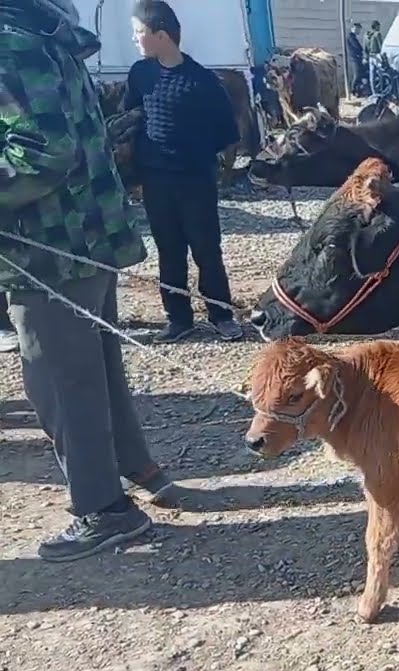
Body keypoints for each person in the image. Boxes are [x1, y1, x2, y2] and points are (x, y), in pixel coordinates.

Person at [1, 0, 189, 562]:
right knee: (97, 368)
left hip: (51, 246)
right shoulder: (40, 31)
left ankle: (104, 511)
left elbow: (42, 154)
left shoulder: (9, 43)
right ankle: (136, 467)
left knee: (59, 383)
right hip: (84, 234)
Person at [124, 0, 242, 344]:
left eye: (138, 33)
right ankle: (178, 318)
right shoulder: (140, 74)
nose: (134, 39)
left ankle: (221, 314)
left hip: (195, 181)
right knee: (169, 250)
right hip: (156, 181)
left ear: (161, 35)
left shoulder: (202, 82)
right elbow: (129, 119)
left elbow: (225, 134)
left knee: (207, 249)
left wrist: (203, 160)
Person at [346, 21, 365, 96]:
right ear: (353, 28)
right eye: (357, 29)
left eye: (359, 30)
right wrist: (360, 51)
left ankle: (358, 90)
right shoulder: (350, 36)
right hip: (355, 58)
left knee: (359, 75)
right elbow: (357, 47)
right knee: (357, 75)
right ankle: (353, 90)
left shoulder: (353, 36)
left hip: (357, 58)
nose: (358, 31)